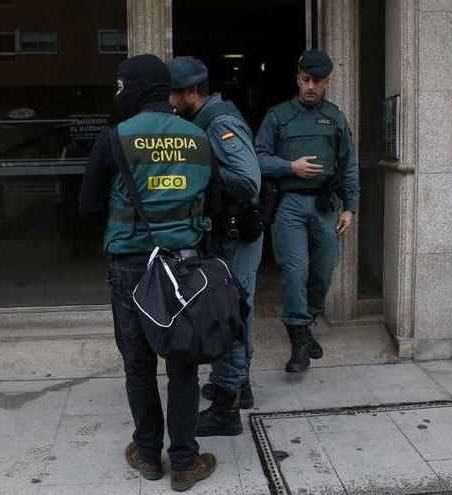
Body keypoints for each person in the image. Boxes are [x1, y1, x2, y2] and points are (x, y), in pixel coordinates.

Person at [78, 54, 216, 492]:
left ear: (137, 88)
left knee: (138, 365)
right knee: (182, 364)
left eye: (121, 86)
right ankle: (185, 462)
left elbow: (88, 206)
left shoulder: (114, 138)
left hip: (130, 266)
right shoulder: (199, 137)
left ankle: (147, 453)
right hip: (182, 266)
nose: (118, 93)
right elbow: (213, 208)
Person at [167, 56, 262, 437]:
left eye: (173, 94)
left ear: (192, 92)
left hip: (235, 234)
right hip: (229, 233)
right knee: (235, 309)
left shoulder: (219, 122)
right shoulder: (205, 118)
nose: (170, 101)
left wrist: (198, 169)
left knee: (228, 314)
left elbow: (248, 181)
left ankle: (226, 406)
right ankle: (241, 385)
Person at [254, 49, 360, 373]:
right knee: (295, 272)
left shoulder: (335, 117)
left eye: (317, 81)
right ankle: (298, 338)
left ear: (327, 82)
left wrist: (350, 208)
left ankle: (307, 320)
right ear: (297, 79)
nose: (310, 86)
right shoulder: (278, 115)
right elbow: (257, 158)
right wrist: (289, 166)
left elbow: (349, 165)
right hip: (289, 204)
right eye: (305, 80)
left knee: (323, 271)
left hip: (325, 205)